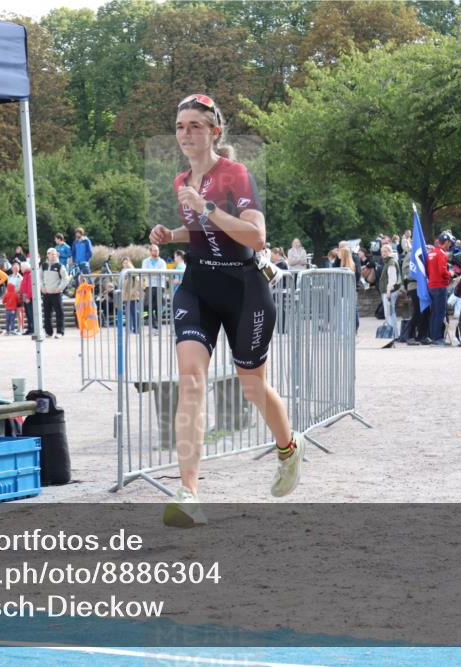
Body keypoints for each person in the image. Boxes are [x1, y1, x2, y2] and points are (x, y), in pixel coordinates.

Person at [147, 92, 305, 527]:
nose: (186, 134)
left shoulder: (235, 174)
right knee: (191, 381)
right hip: (197, 287)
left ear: (215, 132)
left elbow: (254, 236)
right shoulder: (181, 181)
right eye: (180, 127)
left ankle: (288, 447)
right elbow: (203, 234)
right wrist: (172, 234)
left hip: (244, 289)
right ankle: (189, 492)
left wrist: (208, 208)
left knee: (252, 388)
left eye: (195, 126)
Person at [426, 232, 454, 346]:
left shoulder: (431, 253)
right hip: (440, 286)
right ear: (446, 242)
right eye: (450, 242)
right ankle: (437, 338)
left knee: (434, 313)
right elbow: (443, 272)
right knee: (440, 313)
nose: (450, 245)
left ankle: (433, 337)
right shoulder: (442, 254)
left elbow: (428, 271)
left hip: (432, 285)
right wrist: (450, 274)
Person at [40, 247, 69, 338]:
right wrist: (42, 287)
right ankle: (48, 332)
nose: (52, 255)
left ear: (56, 255)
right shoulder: (43, 265)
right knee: (47, 313)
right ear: (47, 255)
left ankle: (60, 332)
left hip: (56, 293)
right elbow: (39, 277)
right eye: (50, 254)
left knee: (59, 313)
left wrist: (60, 288)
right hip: (46, 293)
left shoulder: (60, 266)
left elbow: (66, 279)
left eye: (54, 254)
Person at [141, 244, 166, 330]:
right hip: (149, 286)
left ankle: (157, 325)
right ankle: (153, 323)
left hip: (159, 286)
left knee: (159, 306)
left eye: (157, 250)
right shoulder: (145, 261)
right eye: (155, 250)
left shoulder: (162, 262)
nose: (157, 252)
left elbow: (162, 274)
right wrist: (156, 272)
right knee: (147, 305)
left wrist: (150, 273)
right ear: (150, 251)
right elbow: (144, 273)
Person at [378, 243, 401, 335]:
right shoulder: (388, 261)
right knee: (390, 313)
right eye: (382, 251)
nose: (383, 253)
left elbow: (392, 279)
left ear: (390, 251)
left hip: (390, 291)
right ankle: (394, 334)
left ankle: (392, 335)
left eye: (385, 251)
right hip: (389, 291)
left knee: (389, 313)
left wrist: (389, 291)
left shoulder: (391, 262)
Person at [120, 256, 141, 334]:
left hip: (133, 296)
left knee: (134, 312)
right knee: (128, 313)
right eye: (124, 263)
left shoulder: (132, 270)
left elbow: (137, 282)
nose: (125, 264)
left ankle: (137, 328)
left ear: (129, 262)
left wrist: (132, 292)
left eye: (127, 262)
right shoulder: (123, 271)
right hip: (126, 296)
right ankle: (129, 329)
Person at [20, 261, 34, 335]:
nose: (20, 268)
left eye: (21, 267)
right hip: (25, 296)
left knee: (30, 313)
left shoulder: (29, 274)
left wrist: (28, 297)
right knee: (28, 314)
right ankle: (30, 328)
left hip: (28, 297)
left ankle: (32, 328)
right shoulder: (25, 274)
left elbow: (30, 287)